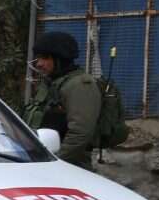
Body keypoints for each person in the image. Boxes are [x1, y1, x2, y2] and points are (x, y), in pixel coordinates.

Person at [24, 31, 102, 170]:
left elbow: (80, 133)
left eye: (45, 58)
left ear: (60, 59)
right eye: (38, 58)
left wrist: (56, 163)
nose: (39, 63)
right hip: (43, 164)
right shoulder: (51, 84)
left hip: (71, 169)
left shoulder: (80, 85)